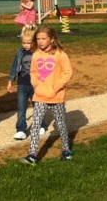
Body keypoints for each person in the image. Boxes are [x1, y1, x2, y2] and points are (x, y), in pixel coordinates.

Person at [21, 25, 74, 164]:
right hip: (40, 96)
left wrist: (55, 87)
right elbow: (33, 72)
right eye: (38, 39)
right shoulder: (36, 54)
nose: (40, 41)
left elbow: (68, 73)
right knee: (36, 124)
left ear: (52, 39)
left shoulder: (60, 54)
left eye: (43, 39)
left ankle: (66, 150)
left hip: (56, 97)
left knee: (60, 124)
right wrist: (37, 86)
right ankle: (32, 154)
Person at [7, 24, 46, 140]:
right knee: (21, 107)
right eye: (23, 43)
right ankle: (21, 130)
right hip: (22, 84)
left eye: (28, 43)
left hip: (35, 85)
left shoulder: (39, 52)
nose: (26, 45)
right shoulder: (20, 52)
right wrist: (10, 80)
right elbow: (15, 66)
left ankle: (41, 125)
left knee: (37, 106)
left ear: (34, 42)